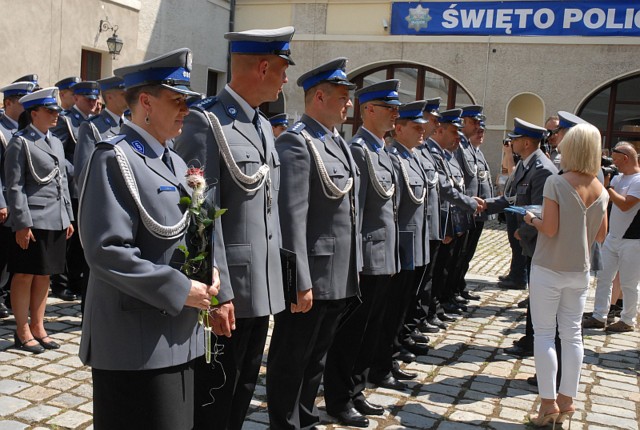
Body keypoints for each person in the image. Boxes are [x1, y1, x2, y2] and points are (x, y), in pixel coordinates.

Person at [78, 48, 219, 429]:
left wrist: (210, 270)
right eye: (176, 101)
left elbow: (189, 232)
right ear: (145, 102)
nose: (185, 111)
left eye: (187, 102)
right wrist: (179, 288)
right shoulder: (115, 156)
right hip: (134, 341)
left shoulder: (173, 161)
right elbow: (105, 250)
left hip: (178, 333)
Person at [174, 27, 295, 430]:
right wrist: (219, 293)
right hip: (230, 291)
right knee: (214, 398)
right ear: (263, 67)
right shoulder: (205, 122)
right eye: (282, 69)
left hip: (261, 288)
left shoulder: (261, 126)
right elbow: (199, 213)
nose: (286, 79)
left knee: (242, 390)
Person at [267, 57, 361, 430]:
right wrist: (298, 280)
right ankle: (284, 423)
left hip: (336, 272)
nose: (348, 103)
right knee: (292, 356)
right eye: (341, 96)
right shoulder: (297, 142)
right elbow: (292, 219)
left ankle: (304, 416)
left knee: (316, 357)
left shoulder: (335, 141)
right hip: (312, 275)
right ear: (318, 97)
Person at [323, 80, 401, 427]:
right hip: (367, 256)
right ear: (368, 110)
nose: (395, 115)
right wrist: (357, 259)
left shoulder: (382, 149)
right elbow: (356, 210)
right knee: (351, 333)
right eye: (389, 108)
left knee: (370, 330)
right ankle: (339, 397)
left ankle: (355, 389)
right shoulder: (359, 150)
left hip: (384, 255)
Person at [522, 123, 608, 426]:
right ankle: (567, 399)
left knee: (544, 334)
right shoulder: (601, 187)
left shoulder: (557, 184)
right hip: (580, 270)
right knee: (572, 336)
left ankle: (548, 403)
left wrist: (532, 219)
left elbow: (551, 228)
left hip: (549, 266)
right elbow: (602, 235)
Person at [4, 87, 74, 354]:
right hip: (32, 219)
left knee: (44, 275)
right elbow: (15, 185)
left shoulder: (55, 142)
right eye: (50, 111)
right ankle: (21, 330)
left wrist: (67, 216)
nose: (55, 115)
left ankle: (39, 326)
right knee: (24, 275)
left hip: (54, 219)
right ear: (34, 114)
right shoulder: (20, 142)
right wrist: (21, 223)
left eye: (56, 110)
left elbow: (62, 183)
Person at [485, 118, 558, 358]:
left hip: (535, 240)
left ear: (526, 142)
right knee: (534, 293)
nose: (511, 142)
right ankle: (530, 337)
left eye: (515, 139)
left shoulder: (543, 168)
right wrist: (483, 206)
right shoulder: (527, 164)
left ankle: (533, 340)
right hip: (527, 237)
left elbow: (540, 209)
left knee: (537, 294)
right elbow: (512, 199)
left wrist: (523, 231)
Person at [50, 80, 100, 302]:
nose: (93, 103)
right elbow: (58, 154)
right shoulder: (66, 121)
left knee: (82, 241)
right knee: (68, 241)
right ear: (77, 98)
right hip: (71, 186)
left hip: (87, 187)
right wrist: (76, 169)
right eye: (88, 99)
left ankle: (77, 281)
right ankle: (60, 284)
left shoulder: (95, 123)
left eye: (95, 99)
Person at [583, 141, 640, 332]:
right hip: (613, 237)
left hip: (633, 240)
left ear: (626, 158)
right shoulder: (618, 178)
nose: (615, 165)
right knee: (604, 278)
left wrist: (607, 188)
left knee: (629, 282)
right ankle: (599, 315)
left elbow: (625, 204)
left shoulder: (638, 180)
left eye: (617, 161)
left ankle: (628, 320)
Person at [0, 81, 36, 319]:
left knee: (16, 255)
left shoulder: (26, 131)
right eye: (22, 103)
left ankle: (12, 297)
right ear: (7, 103)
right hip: (5, 200)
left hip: (21, 201)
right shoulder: (2, 130)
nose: (26, 108)